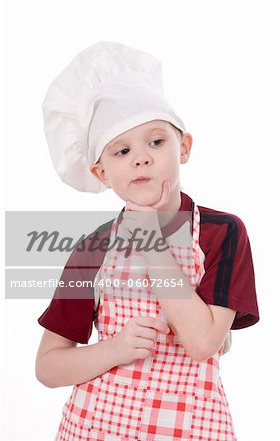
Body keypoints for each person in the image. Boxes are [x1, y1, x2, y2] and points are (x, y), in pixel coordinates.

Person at [36, 41, 259, 441]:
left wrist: (151, 241)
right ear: (102, 173)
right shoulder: (93, 249)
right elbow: (49, 366)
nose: (141, 158)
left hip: (188, 428)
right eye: (122, 150)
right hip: (95, 426)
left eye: (156, 142)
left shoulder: (223, 232)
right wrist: (113, 349)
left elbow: (202, 342)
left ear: (184, 147)